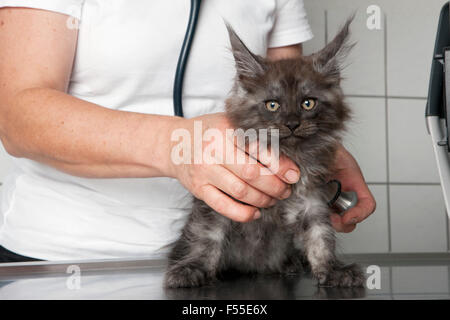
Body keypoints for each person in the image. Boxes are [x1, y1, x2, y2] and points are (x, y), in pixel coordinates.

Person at [0, 0, 375, 262]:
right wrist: (180, 147)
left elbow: (289, 88)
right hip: (72, 256)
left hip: (237, 258)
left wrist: (322, 149)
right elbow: (16, 117)